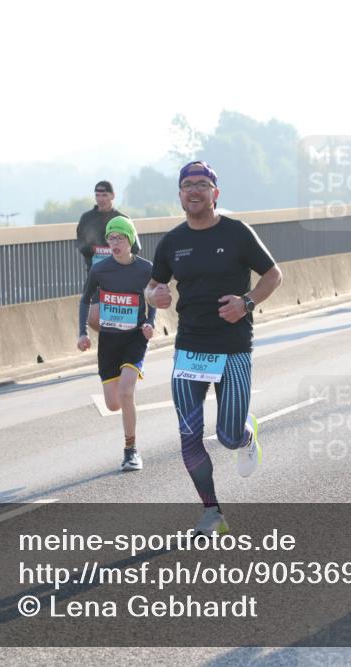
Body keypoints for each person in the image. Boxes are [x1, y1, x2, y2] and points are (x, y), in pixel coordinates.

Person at [145, 161, 283, 537]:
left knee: (227, 436)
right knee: (189, 435)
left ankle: (245, 436)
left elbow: (273, 274)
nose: (194, 190)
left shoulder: (237, 233)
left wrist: (247, 303)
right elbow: (153, 286)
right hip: (189, 349)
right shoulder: (172, 242)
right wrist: (154, 296)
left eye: (202, 184)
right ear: (179, 194)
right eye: (187, 185)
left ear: (215, 193)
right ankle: (212, 513)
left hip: (233, 349)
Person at [77, 216, 155, 471]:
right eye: (110, 238)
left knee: (126, 391)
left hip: (135, 338)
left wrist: (150, 323)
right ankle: (127, 405)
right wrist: (82, 333)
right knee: (113, 404)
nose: (114, 243)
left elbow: (153, 298)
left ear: (130, 240)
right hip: (109, 340)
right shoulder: (100, 270)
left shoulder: (146, 269)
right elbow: (85, 300)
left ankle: (131, 451)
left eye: (120, 238)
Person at [76, 181, 136, 332]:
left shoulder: (122, 219)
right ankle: (105, 336)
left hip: (121, 275)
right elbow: (80, 244)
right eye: (97, 195)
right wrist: (92, 249)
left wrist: (118, 252)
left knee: (121, 317)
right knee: (94, 317)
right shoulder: (87, 218)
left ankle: (120, 339)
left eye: (104, 195)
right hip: (97, 275)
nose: (101, 199)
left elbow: (136, 247)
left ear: (112, 196)